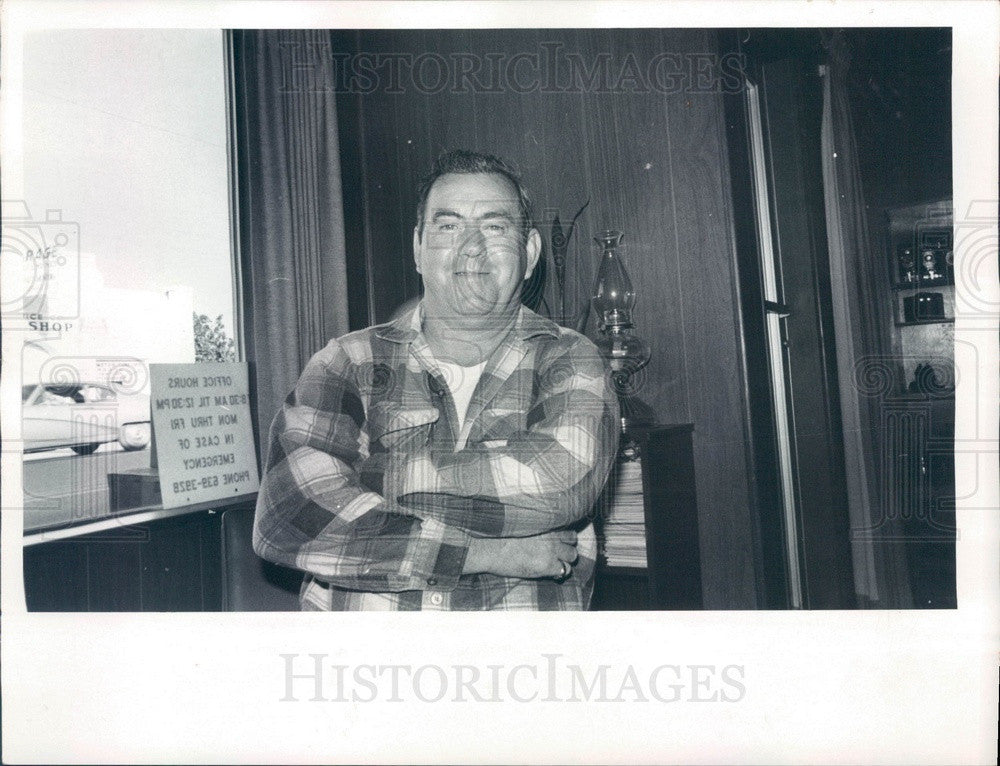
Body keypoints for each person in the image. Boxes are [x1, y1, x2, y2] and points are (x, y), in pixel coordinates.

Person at [253, 149, 619, 610]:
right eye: (448, 226)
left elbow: (557, 487)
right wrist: (486, 552)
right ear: (418, 250)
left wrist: (364, 478)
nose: (471, 246)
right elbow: (290, 516)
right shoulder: (346, 362)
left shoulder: (570, 358)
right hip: (365, 670)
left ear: (528, 254)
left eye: (494, 226)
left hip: (518, 669)